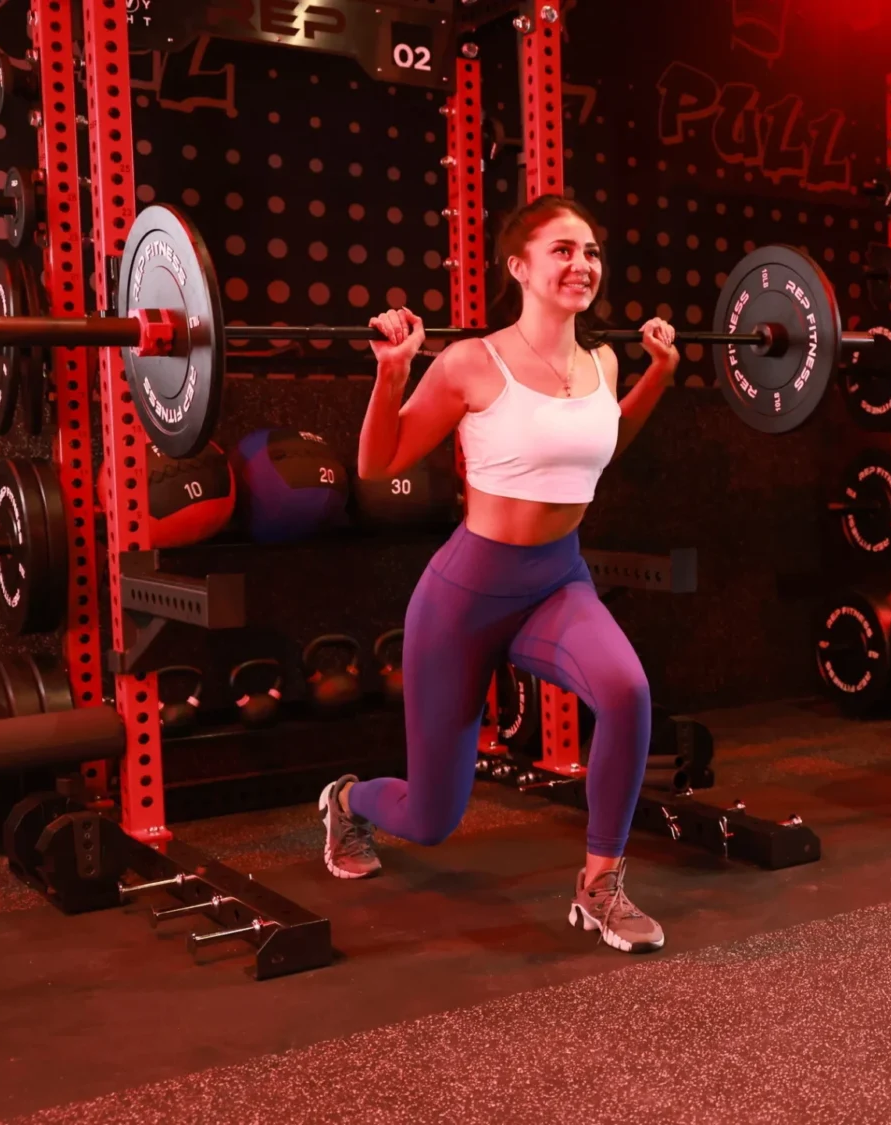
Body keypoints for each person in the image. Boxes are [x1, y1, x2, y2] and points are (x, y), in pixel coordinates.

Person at [317, 195, 677, 954]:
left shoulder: (603, 362)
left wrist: (660, 375)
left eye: (590, 251)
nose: (582, 264)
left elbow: (606, 441)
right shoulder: (470, 363)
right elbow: (378, 465)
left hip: (557, 581)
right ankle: (348, 801)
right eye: (562, 250)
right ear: (519, 267)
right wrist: (392, 375)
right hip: (466, 595)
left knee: (626, 691)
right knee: (431, 818)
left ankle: (599, 886)